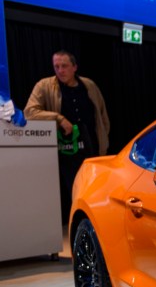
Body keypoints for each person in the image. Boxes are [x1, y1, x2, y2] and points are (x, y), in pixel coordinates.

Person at [24, 50, 110, 224]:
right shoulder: (45, 86)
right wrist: (58, 118)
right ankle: (77, 227)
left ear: (74, 67)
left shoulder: (88, 85)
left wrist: (104, 138)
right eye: (56, 66)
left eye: (64, 66)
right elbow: (30, 112)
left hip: (92, 147)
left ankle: (96, 226)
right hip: (66, 151)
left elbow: (102, 115)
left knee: (95, 190)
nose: (60, 70)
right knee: (74, 190)